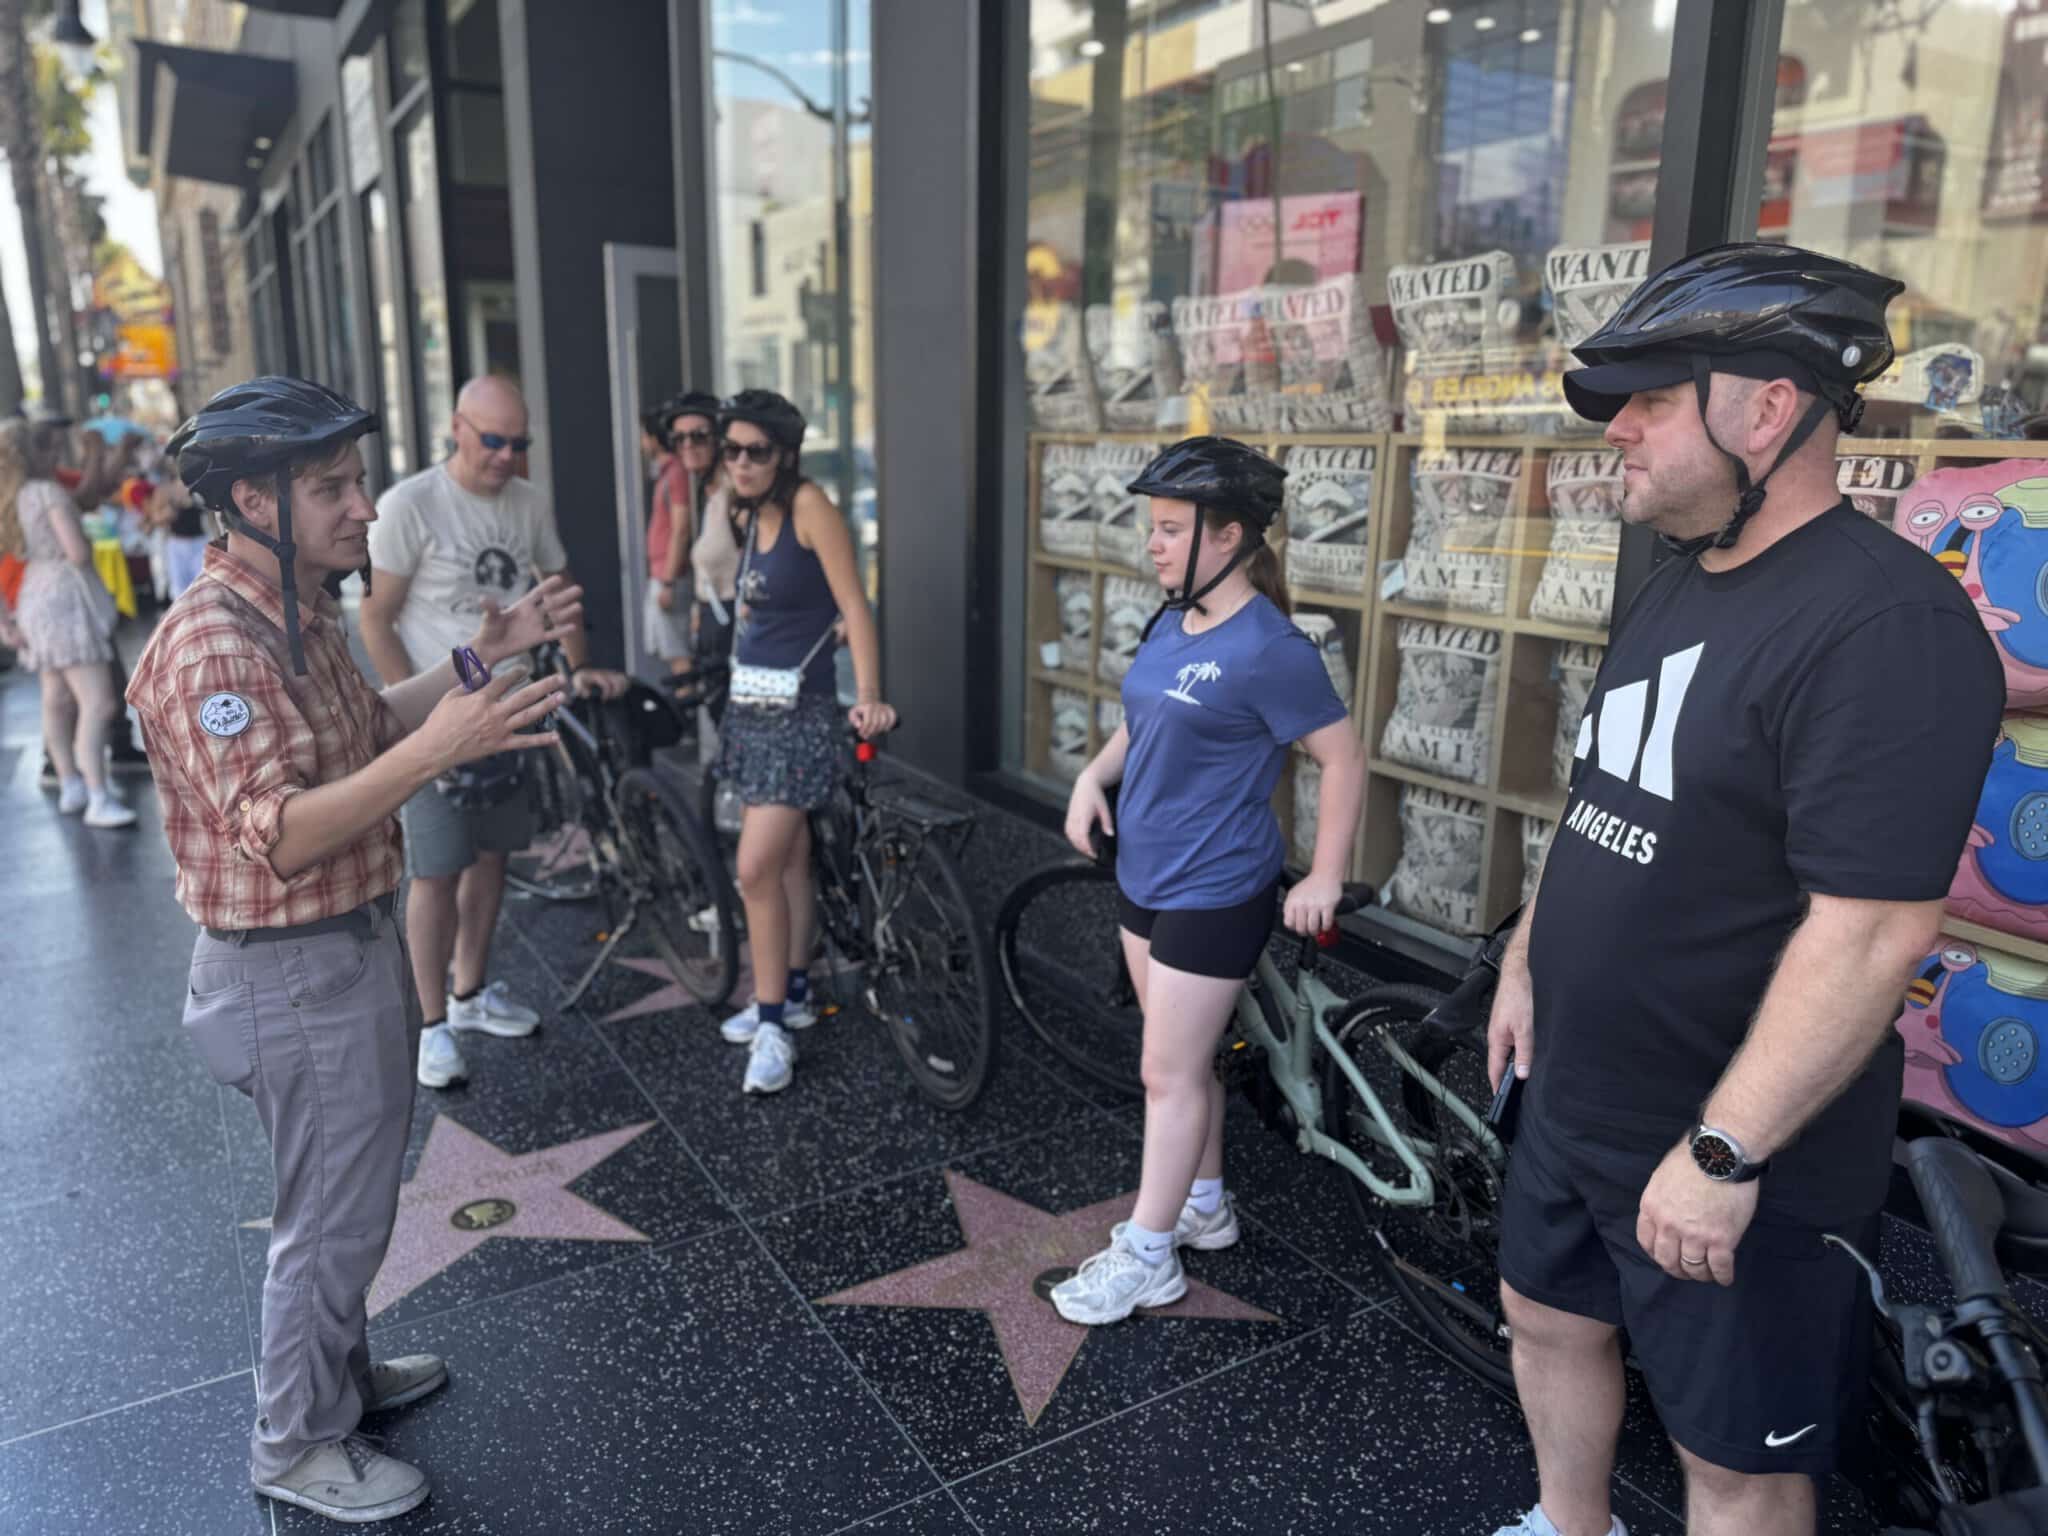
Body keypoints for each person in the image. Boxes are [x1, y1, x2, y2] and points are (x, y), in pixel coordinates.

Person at [1483, 244, 2005, 1536]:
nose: (1620, 428)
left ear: (1767, 409)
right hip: (1577, 1096)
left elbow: (1875, 930)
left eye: (1654, 397)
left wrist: (1724, 1149)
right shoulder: (1674, 586)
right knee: (1545, 1318)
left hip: (1730, 1148)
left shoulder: (1886, 628)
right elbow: (1610, 795)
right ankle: (1569, 1522)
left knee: (1735, 1459)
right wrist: (1526, 956)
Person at [125, 375, 580, 1523]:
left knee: (349, 1204)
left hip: (339, 953)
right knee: (328, 1220)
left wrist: (484, 655)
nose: (362, 506)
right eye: (330, 487)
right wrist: (442, 751)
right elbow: (277, 834)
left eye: (355, 480)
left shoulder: (299, 609)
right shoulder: (214, 647)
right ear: (249, 501)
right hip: (288, 969)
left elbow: (371, 726)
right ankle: (294, 1441)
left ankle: (337, 1378)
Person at [1048, 436, 1364, 1325]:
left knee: (1168, 1073)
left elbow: (1342, 760)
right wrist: (1090, 776)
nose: (1151, 544)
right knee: (1180, 1064)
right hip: (1145, 870)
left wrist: (1326, 876)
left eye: (1169, 528)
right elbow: (1142, 718)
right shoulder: (1169, 621)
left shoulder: (1271, 649)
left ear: (1226, 539)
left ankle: (1150, 1257)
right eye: (1152, 527)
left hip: (1215, 884)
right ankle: (1205, 1205)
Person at [360, 375, 628, 1091]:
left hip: (507, 714)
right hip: (434, 723)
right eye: (493, 440)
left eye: (519, 442)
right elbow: (375, 618)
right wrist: (408, 721)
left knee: (492, 860)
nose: (507, 455)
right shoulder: (410, 504)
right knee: (436, 871)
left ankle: (472, 993)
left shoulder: (527, 502)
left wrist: (579, 669)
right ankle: (432, 1023)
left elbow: (558, 587)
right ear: (457, 427)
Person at [714, 388, 895, 1095]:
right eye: (732, 451)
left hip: (801, 713)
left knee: (754, 868)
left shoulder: (810, 507)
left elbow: (856, 604)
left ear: (785, 453)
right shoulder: (747, 513)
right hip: (753, 708)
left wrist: (872, 697)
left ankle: (769, 1027)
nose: (741, 462)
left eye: (756, 451)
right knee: (787, 860)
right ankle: (787, 990)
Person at [0, 416, 137, 829]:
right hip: (66, 596)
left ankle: (71, 783)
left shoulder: (8, 498)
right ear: (38, 453)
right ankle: (97, 794)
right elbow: (76, 553)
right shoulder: (45, 492)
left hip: (31, 598)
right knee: (98, 703)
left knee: (55, 698)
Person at [645, 390, 724, 677]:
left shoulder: (733, 493)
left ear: (718, 437)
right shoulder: (708, 491)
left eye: (699, 435)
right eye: (680, 439)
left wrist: (667, 582)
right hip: (710, 620)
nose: (688, 445)